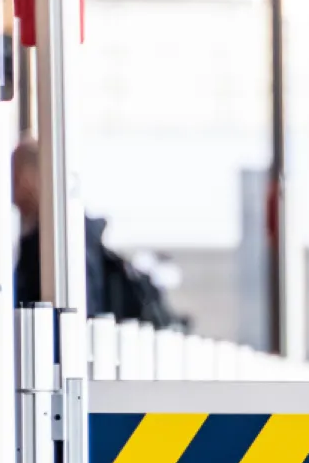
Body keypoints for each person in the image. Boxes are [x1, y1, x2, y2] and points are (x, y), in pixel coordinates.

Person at [13, 135, 186, 329]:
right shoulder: (66, 238)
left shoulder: (60, 241)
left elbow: (81, 313)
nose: (11, 193)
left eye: (14, 178)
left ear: (27, 179)